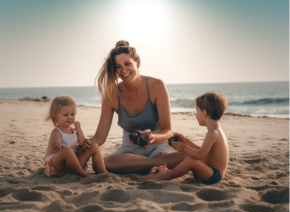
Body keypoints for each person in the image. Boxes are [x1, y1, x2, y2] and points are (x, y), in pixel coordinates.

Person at [80, 40, 187, 173]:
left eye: (127, 64)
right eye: (118, 66)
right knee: (101, 164)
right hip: (129, 150)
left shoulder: (157, 86)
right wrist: (81, 146)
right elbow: (99, 137)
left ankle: (143, 165)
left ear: (138, 62)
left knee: (187, 156)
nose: (123, 70)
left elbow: (167, 131)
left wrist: (152, 137)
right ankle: (154, 165)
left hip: (158, 147)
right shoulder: (111, 94)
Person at [147, 91, 229, 184]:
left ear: (204, 113)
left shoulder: (212, 133)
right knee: (192, 158)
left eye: (197, 111)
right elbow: (204, 151)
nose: (196, 115)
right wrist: (186, 141)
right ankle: (169, 172)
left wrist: (184, 148)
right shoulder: (217, 131)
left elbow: (200, 155)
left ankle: (167, 175)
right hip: (213, 172)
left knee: (192, 160)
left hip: (214, 176)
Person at [44, 95, 107, 177]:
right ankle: (82, 174)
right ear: (56, 116)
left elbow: (81, 144)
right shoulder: (57, 131)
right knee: (67, 150)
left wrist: (78, 129)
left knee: (93, 146)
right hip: (57, 166)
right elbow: (55, 143)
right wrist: (55, 141)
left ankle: (103, 172)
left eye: (72, 114)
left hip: (72, 166)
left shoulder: (74, 131)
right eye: (66, 115)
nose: (70, 117)